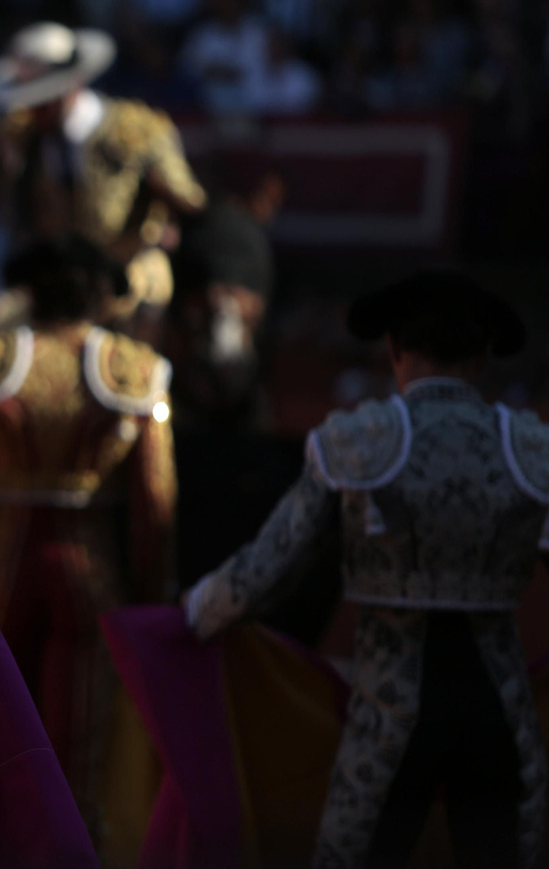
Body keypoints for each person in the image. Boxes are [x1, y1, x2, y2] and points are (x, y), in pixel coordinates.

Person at [183, 272, 546, 867]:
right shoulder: (529, 448)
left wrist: (192, 614)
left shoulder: (360, 442)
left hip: (390, 714)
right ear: (483, 356)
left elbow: (269, 569)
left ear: (395, 351)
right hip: (499, 714)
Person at [0, 236, 176, 851]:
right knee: (80, 744)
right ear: (101, 296)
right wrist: (150, 593)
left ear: (29, 293)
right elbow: (154, 506)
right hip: (91, 575)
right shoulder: (136, 368)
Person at [0, 22, 206, 338]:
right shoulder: (24, 133)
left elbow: (189, 203)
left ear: (71, 86)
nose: (33, 109)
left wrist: (167, 227)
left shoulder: (137, 132)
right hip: (53, 286)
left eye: (43, 99)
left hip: (128, 281)